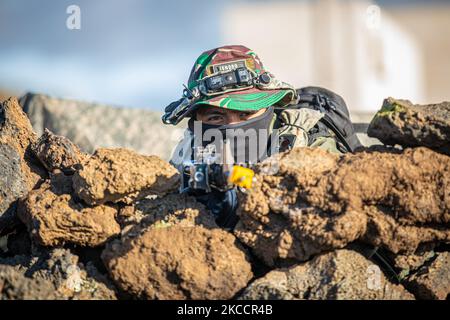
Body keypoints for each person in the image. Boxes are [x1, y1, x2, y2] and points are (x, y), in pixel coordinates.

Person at [162, 45, 358, 229]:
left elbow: (336, 202)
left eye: (245, 114)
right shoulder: (186, 155)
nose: (233, 125)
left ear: (268, 109)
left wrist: (245, 182)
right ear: (196, 120)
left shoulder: (307, 140)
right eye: (216, 117)